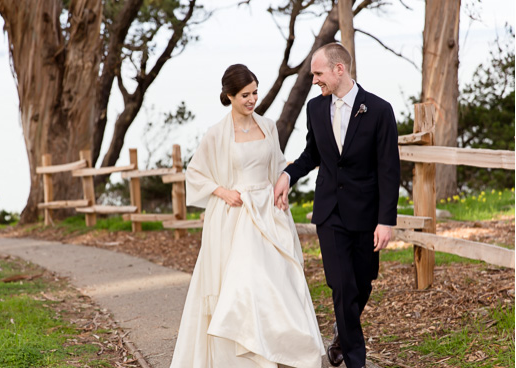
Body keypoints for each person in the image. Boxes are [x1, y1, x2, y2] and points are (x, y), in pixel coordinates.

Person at [169, 64, 324, 368]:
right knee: (246, 284)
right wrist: (222, 191)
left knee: (277, 283)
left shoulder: (267, 126)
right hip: (237, 217)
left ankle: (278, 349)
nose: (252, 99)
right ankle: (247, 357)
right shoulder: (216, 134)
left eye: (255, 92)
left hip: (269, 211)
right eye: (244, 95)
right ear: (229, 95)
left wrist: (281, 189)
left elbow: (277, 165)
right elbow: (195, 172)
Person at [274, 42, 400, 368]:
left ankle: (342, 334)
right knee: (341, 285)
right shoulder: (316, 109)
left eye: (319, 73)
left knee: (362, 283)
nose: (315, 80)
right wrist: (288, 175)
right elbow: (312, 154)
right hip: (329, 211)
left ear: (338, 69)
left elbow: (389, 170)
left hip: (366, 213)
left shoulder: (379, 110)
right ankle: (356, 361)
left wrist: (385, 220)